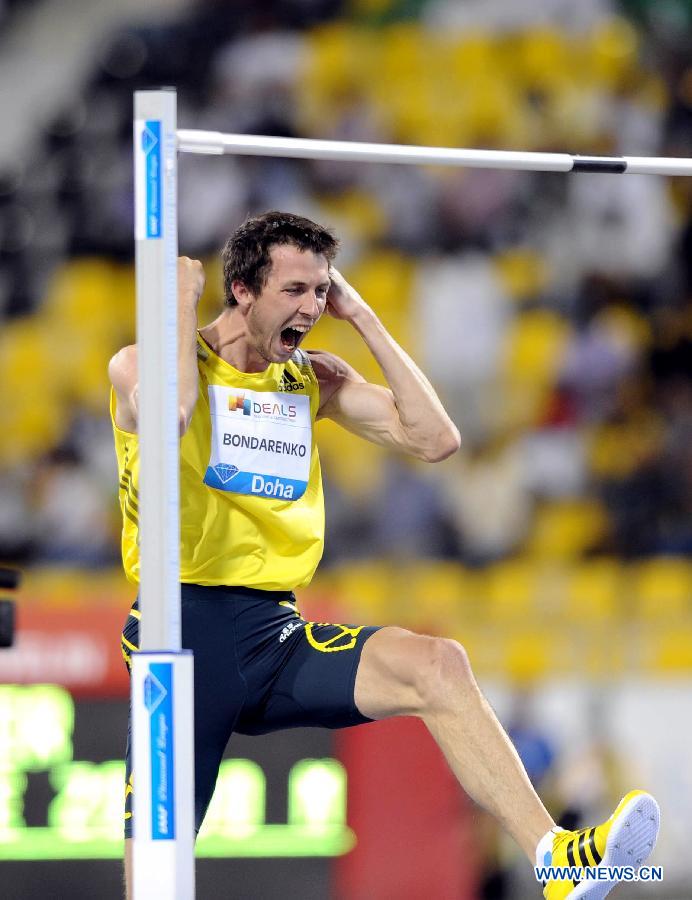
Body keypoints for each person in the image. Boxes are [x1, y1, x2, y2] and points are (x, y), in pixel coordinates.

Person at [109, 211, 659, 899]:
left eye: (321, 291)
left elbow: (437, 441)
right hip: (179, 644)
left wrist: (364, 317)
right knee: (156, 884)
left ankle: (556, 857)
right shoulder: (141, 363)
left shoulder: (308, 381)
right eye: (296, 291)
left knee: (438, 665)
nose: (312, 308)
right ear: (242, 290)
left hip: (273, 635)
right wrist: (181, 305)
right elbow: (173, 420)